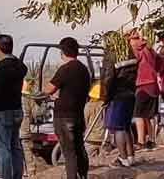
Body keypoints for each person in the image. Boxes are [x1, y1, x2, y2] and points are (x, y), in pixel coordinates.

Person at [43, 37, 90, 179]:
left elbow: (48, 89)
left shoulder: (65, 69)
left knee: (69, 153)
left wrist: (53, 95)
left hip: (64, 116)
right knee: (79, 149)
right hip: (78, 115)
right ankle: (83, 176)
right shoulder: (84, 70)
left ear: (63, 52)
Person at [0, 34, 28, 179]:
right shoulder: (19, 66)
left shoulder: (0, 68)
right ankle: (17, 175)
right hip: (16, 109)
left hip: (0, 112)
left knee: (2, 150)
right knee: (14, 147)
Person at [101, 32, 139, 168]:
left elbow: (108, 78)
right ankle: (130, 157)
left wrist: (105, 97)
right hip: (130, 94)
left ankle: (123, 158)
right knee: (126, 126)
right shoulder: (129, 53)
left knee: (118, 129)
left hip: (117, 96)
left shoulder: (111, 54)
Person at [130, 30, 159, 150]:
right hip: (153, 84)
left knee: (138, 114)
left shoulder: (138, 51)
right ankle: (152, 140)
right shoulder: (151, 51)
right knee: (149, 115)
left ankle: (141, 141)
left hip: (142, 84)